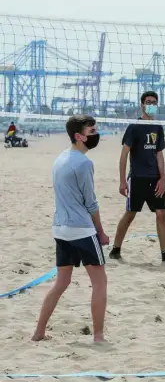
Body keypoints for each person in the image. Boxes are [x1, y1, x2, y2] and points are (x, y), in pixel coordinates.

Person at [32, 115, 109, 342]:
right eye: (92, 132)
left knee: (61, 282)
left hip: (60, 228)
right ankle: (98, 336)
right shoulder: (84, 163)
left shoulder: (60, 158)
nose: (96, 136)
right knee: (100, 282)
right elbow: (90, 203)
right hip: (81, 230)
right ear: (79, 136)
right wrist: (101, 232)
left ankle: (38, 333)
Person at [110, 91, 165, 264]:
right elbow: (123, 156)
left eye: (154, 102)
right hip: (137, 177)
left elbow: (159, 154)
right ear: (142, 105)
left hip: (155, 178)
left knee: (162, 213)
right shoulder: (134, 127)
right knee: (130, 214)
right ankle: (116, 249)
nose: (151, 105)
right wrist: (122, 181)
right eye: (148, 102)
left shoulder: (158, 127)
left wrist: (163, 178)